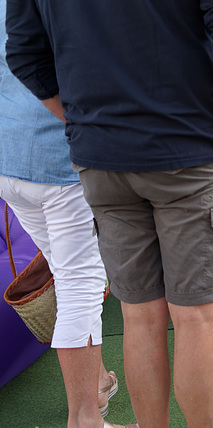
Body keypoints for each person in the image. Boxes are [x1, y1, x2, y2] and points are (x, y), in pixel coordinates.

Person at [6, 1, 213, 427]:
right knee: (196, 317)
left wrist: (84, 123)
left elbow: (24, 53)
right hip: (189, 149)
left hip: (103, 160)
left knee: (139, 316)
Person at [0, 2, 132, 427]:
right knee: (83, 286)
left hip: (10, 161)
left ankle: (96, 384)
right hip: (59, 162)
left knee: (67, 273)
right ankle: (85, 419)